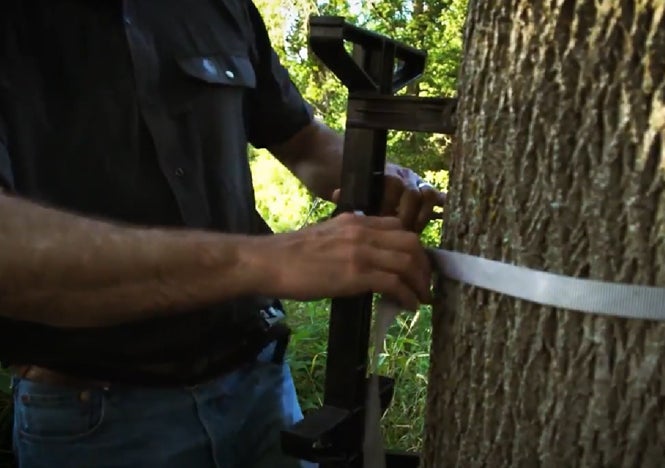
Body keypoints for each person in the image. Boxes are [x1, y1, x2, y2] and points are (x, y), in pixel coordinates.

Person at [0, 1, 443, 467]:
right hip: (98, 417)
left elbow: (305, 141)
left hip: (260, 389)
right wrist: (265, 260)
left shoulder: (221, 8)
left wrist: (382, 177)